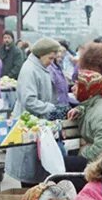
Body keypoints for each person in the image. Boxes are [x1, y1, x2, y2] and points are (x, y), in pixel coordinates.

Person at [6, 38, 66, 187]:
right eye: (50, 58)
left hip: (37, 125)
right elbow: (29, 100)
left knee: (36, 174)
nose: (51, 62)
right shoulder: (29, 70)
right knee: (28, 176)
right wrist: (51, 109)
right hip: (27, 125)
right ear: (41, 54)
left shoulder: (40, 68)